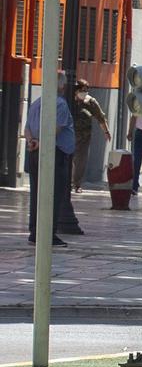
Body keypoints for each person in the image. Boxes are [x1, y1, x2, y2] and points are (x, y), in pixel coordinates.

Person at [25, 77, 80, 243]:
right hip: (55, 153)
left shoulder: (36, 103)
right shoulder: (61, 104)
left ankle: (35, 230)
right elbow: (55, 129)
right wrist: (43, 142)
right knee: (53, 194)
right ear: (62, 86)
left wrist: (32, 142)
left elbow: (27, 128)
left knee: (36, 192)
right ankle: (48, 234)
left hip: (35, 152)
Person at [70, 82, 109, 194]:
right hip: (69, 136)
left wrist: (106, 131)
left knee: (80, 161)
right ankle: (67, 182)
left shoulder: (91, 102)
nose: (84, 93)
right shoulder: (69, 100)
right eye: (82, 91)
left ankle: (77, 184)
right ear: (76, 91)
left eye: (86, 91)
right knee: (68, 160)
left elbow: (100, 117)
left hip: (84, 138)